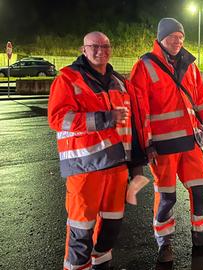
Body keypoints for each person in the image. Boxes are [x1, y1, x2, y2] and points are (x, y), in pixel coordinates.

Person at [48, 31, 149, 270]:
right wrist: (103, 119)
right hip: (85, 169)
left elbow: (132, 125)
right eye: (94, 46)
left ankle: (102, 265)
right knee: (81, 231)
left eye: (105, 46)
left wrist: (137, 165)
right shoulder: (68, 79)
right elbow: (57, 119)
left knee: (111, 227)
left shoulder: (119, 82)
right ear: (84, 49)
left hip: (116, 168)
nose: (100, 50)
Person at [130, 18, 203, 263]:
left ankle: (202, 234)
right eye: (173, 37)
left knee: (200, 191)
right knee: (166, 197)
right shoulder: (144, 66)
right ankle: (164, 243)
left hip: (190, 142)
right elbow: (140, 110)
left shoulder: (189, 65)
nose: (178, 41)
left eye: (181, 37)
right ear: (161, 38)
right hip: (162, 147)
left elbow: (201, 98)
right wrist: (145, 144)